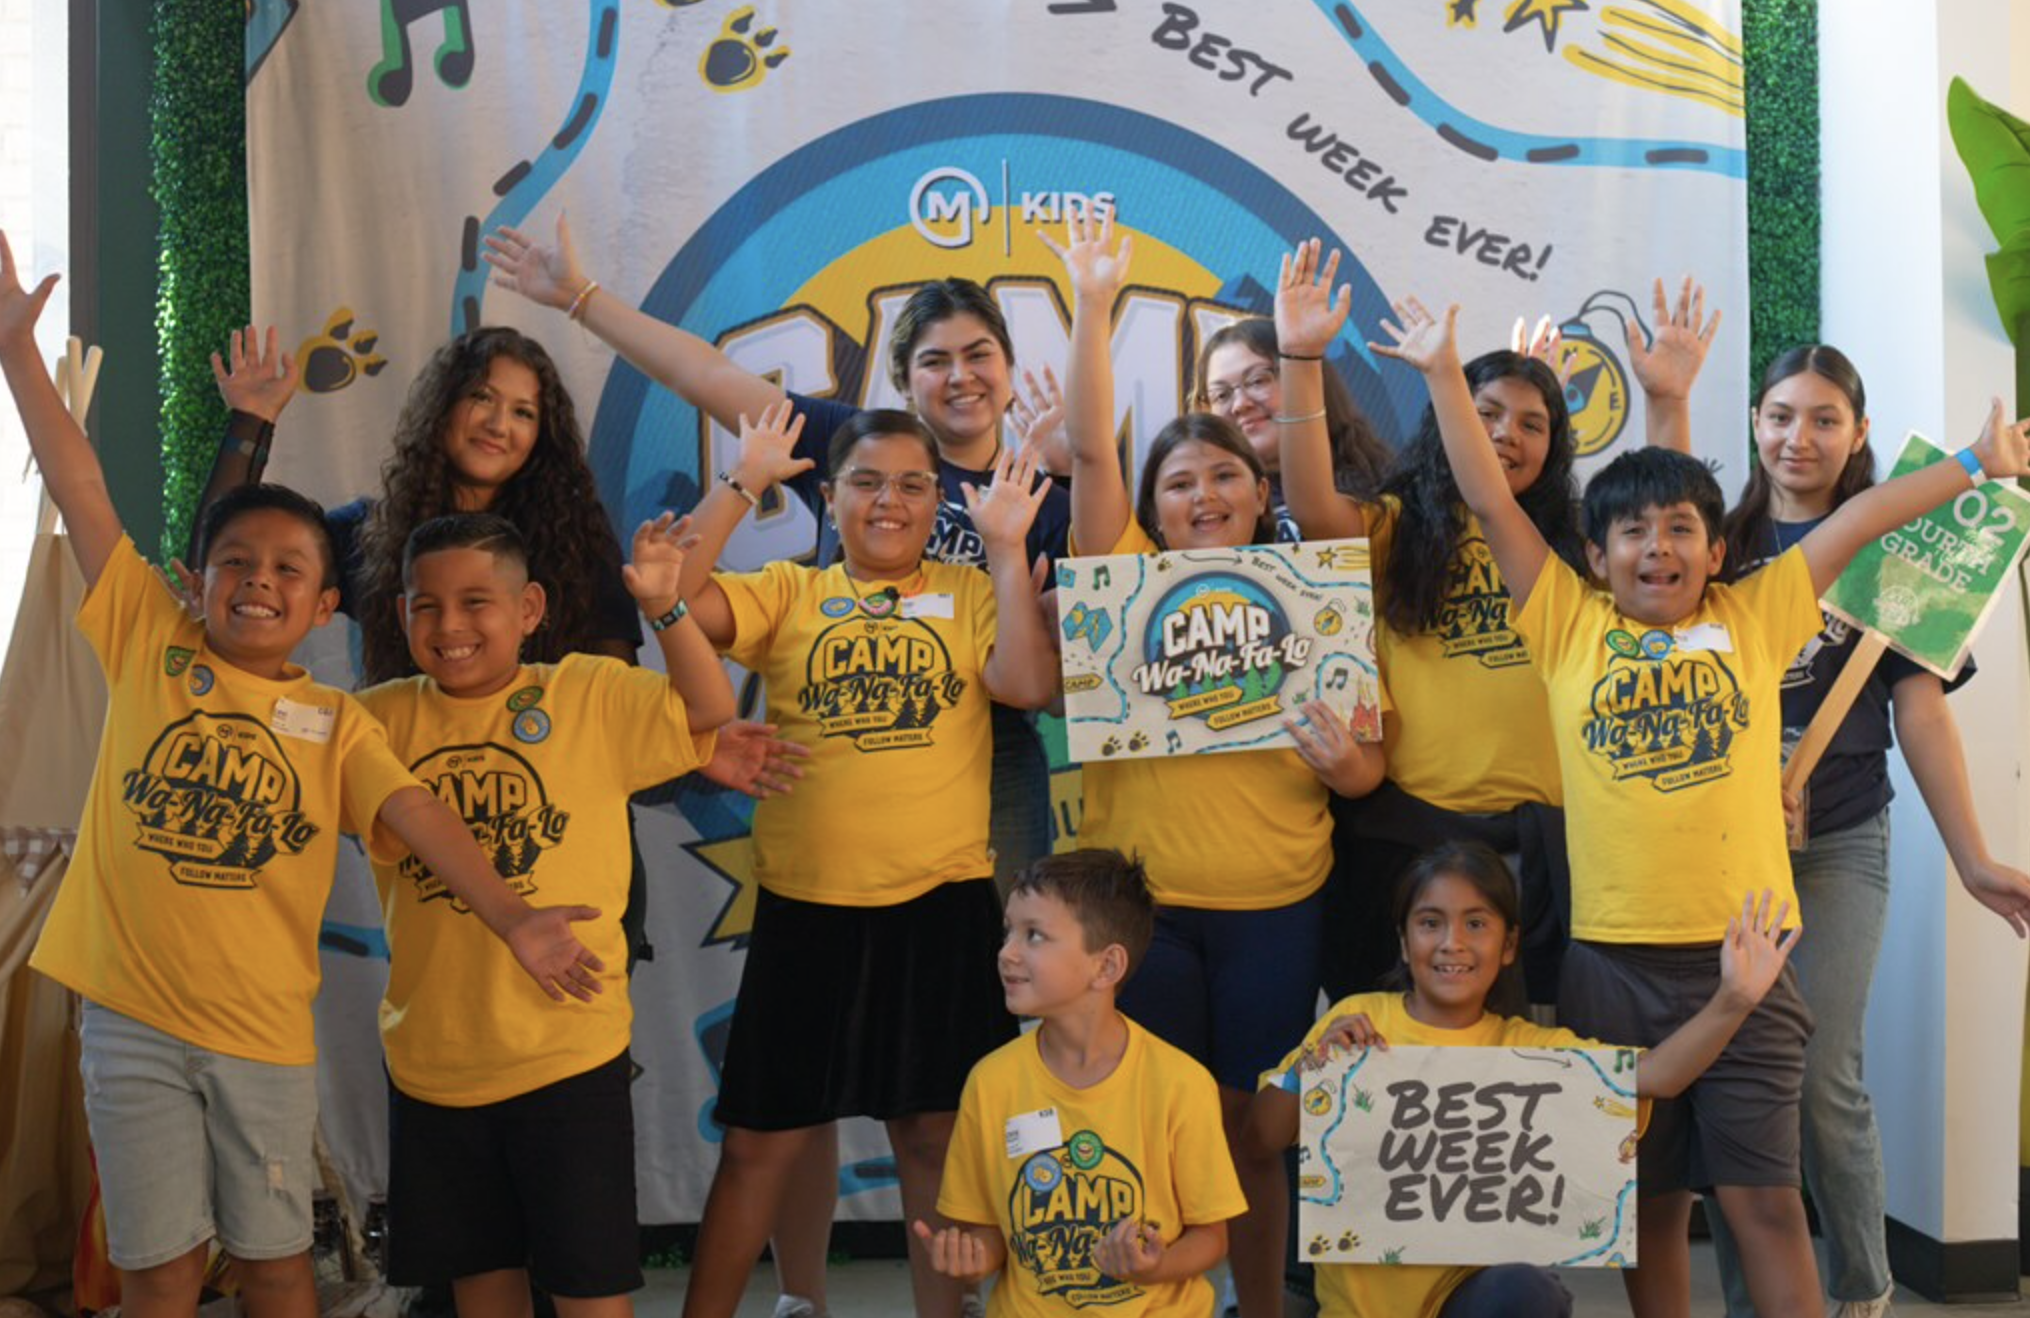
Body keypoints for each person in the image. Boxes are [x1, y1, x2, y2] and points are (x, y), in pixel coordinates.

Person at [1372, 292, 2030, 1316]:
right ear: (1594, 557)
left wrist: (1975, 462)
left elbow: (1859, 518)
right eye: (1630, 532)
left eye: (1681, 529)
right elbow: (1492, 502)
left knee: (1764, 1201)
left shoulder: (1757, 613)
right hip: (1611, 965)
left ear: (1718, 551)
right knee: (1647, 1204)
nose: (1657, 548)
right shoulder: (1565, 623)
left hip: (1747, 959)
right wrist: (1441, 374)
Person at [0, 234, 600, 1318]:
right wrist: (15, 353)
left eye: (288, 569)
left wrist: (515, 918)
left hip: (263, 1039)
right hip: (129, 1024)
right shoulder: (147, 638)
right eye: (235, 563)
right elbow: (80, 481)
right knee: (158, 1269)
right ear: (197, 581)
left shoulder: (337, 724)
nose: (259, 582)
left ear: (328, 607)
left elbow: (420, 814)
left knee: (276, 1263)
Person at [195, 324, 800, 969]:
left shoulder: (577, 543)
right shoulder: (371, 533)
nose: (498, 424)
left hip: (562, 855)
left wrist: (688, 745)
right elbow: (223, 567)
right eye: (482, 397)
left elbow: (617, 711)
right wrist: (251, 423)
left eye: (523, 412)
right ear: (444, 406)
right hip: (433, 866)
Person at [1051, 211, 1387, 1317]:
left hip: (1275, 907)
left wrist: (1342, 762)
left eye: (1225, 477)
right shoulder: (1121, 579)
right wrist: (1092, 304)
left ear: (1259, 492)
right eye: (1179, 482)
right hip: (1141, 911)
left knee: (1253, 1131)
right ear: (1149, 509)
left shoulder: (1317, 591)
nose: (1204, 495)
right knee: (1150, 1125)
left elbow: (1367, 775)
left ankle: (1259, 1303)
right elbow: (1089, 451)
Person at [663, 401, 1060, 1318]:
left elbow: (1028, 685)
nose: (890, 501)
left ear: (937, 501)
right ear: (831, 497)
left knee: (933, 1141)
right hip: (809, 911)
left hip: (941, 909)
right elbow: (670, 591)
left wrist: (1005, 551)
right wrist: (744, 480)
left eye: (914, 485)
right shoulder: (789, 593)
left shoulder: (968, 592)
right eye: (868, 482)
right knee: (759, 1144)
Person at [1279, 262, 1720, 1002]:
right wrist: (1299, 358)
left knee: (1532, 1038)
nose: (1505, 434)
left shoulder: (1578, 544)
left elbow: (1665, 518)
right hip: (1409, 837)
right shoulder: (1396, 526)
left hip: (1546, 847)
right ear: (1449, 416)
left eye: (1531, 423)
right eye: (1485, 413)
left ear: (1557, 446)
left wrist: (1668, 400)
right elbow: (1312, 505)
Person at [1706, 346, 2030, 1318]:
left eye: (1822, 419)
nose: (1796, 438)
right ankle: (1752, 1300)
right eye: (1778, 415)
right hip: (1721, 847)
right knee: (1730, 1075)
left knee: (1819, 1073)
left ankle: (1860, 1289)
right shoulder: (1712, 540)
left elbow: (1918, 710)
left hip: (1842, 839)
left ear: (1857, 433)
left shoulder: (1897, 543)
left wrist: (1972, 858)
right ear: (1754, 422)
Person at [354, 511, 731, 1318]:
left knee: (588, 1287)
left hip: (568, 1052)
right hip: (434, 1060)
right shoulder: (375, 719)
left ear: (528, 609)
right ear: (400, 614)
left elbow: (707, 706)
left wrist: (664, 607)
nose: (450, 626)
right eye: (426, 606)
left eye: (475, 603)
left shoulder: (585, 691)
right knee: (481, 1284)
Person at [1246, 842, 1800, 1318]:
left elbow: (1658, 1076)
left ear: (1509, 945)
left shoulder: (1531, 1050)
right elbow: (1262, 1139)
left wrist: (1735, 999)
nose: (1452, 942)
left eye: (1476, 924)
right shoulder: (1356, 1021)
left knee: (1529, 1291)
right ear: (1404, 941)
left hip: (1475, 1300)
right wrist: (1310, 1067)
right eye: (1430, 922)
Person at [918, 848, 1249, 1315]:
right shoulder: (990, 1081)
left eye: (1034, 935)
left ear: (1107, 966)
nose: (1007, 953)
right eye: (1008, 931)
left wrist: (1154, 1266)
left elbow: (1212, 1237)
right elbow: (991, 1230)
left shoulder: (1181, 1083)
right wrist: (973, 1258)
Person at [1188, 307, 1392, 535]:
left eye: (1257, 381)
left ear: (1306, 380)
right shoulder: (1204, 513)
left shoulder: (1386, 495)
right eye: (1221, 395)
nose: (1240, 404)